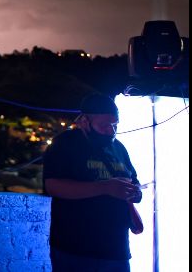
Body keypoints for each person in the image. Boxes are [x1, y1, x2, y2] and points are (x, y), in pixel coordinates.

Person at [43, 92, 143, 272]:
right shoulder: (65, 143)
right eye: (104, 126)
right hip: (76, 249)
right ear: (84, 121)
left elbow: (133, 181)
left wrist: (135, 191)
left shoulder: (119, 147)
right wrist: (105, 187)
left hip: (117, 249)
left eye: (115, 125)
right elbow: (53, 186)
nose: (111, 131)